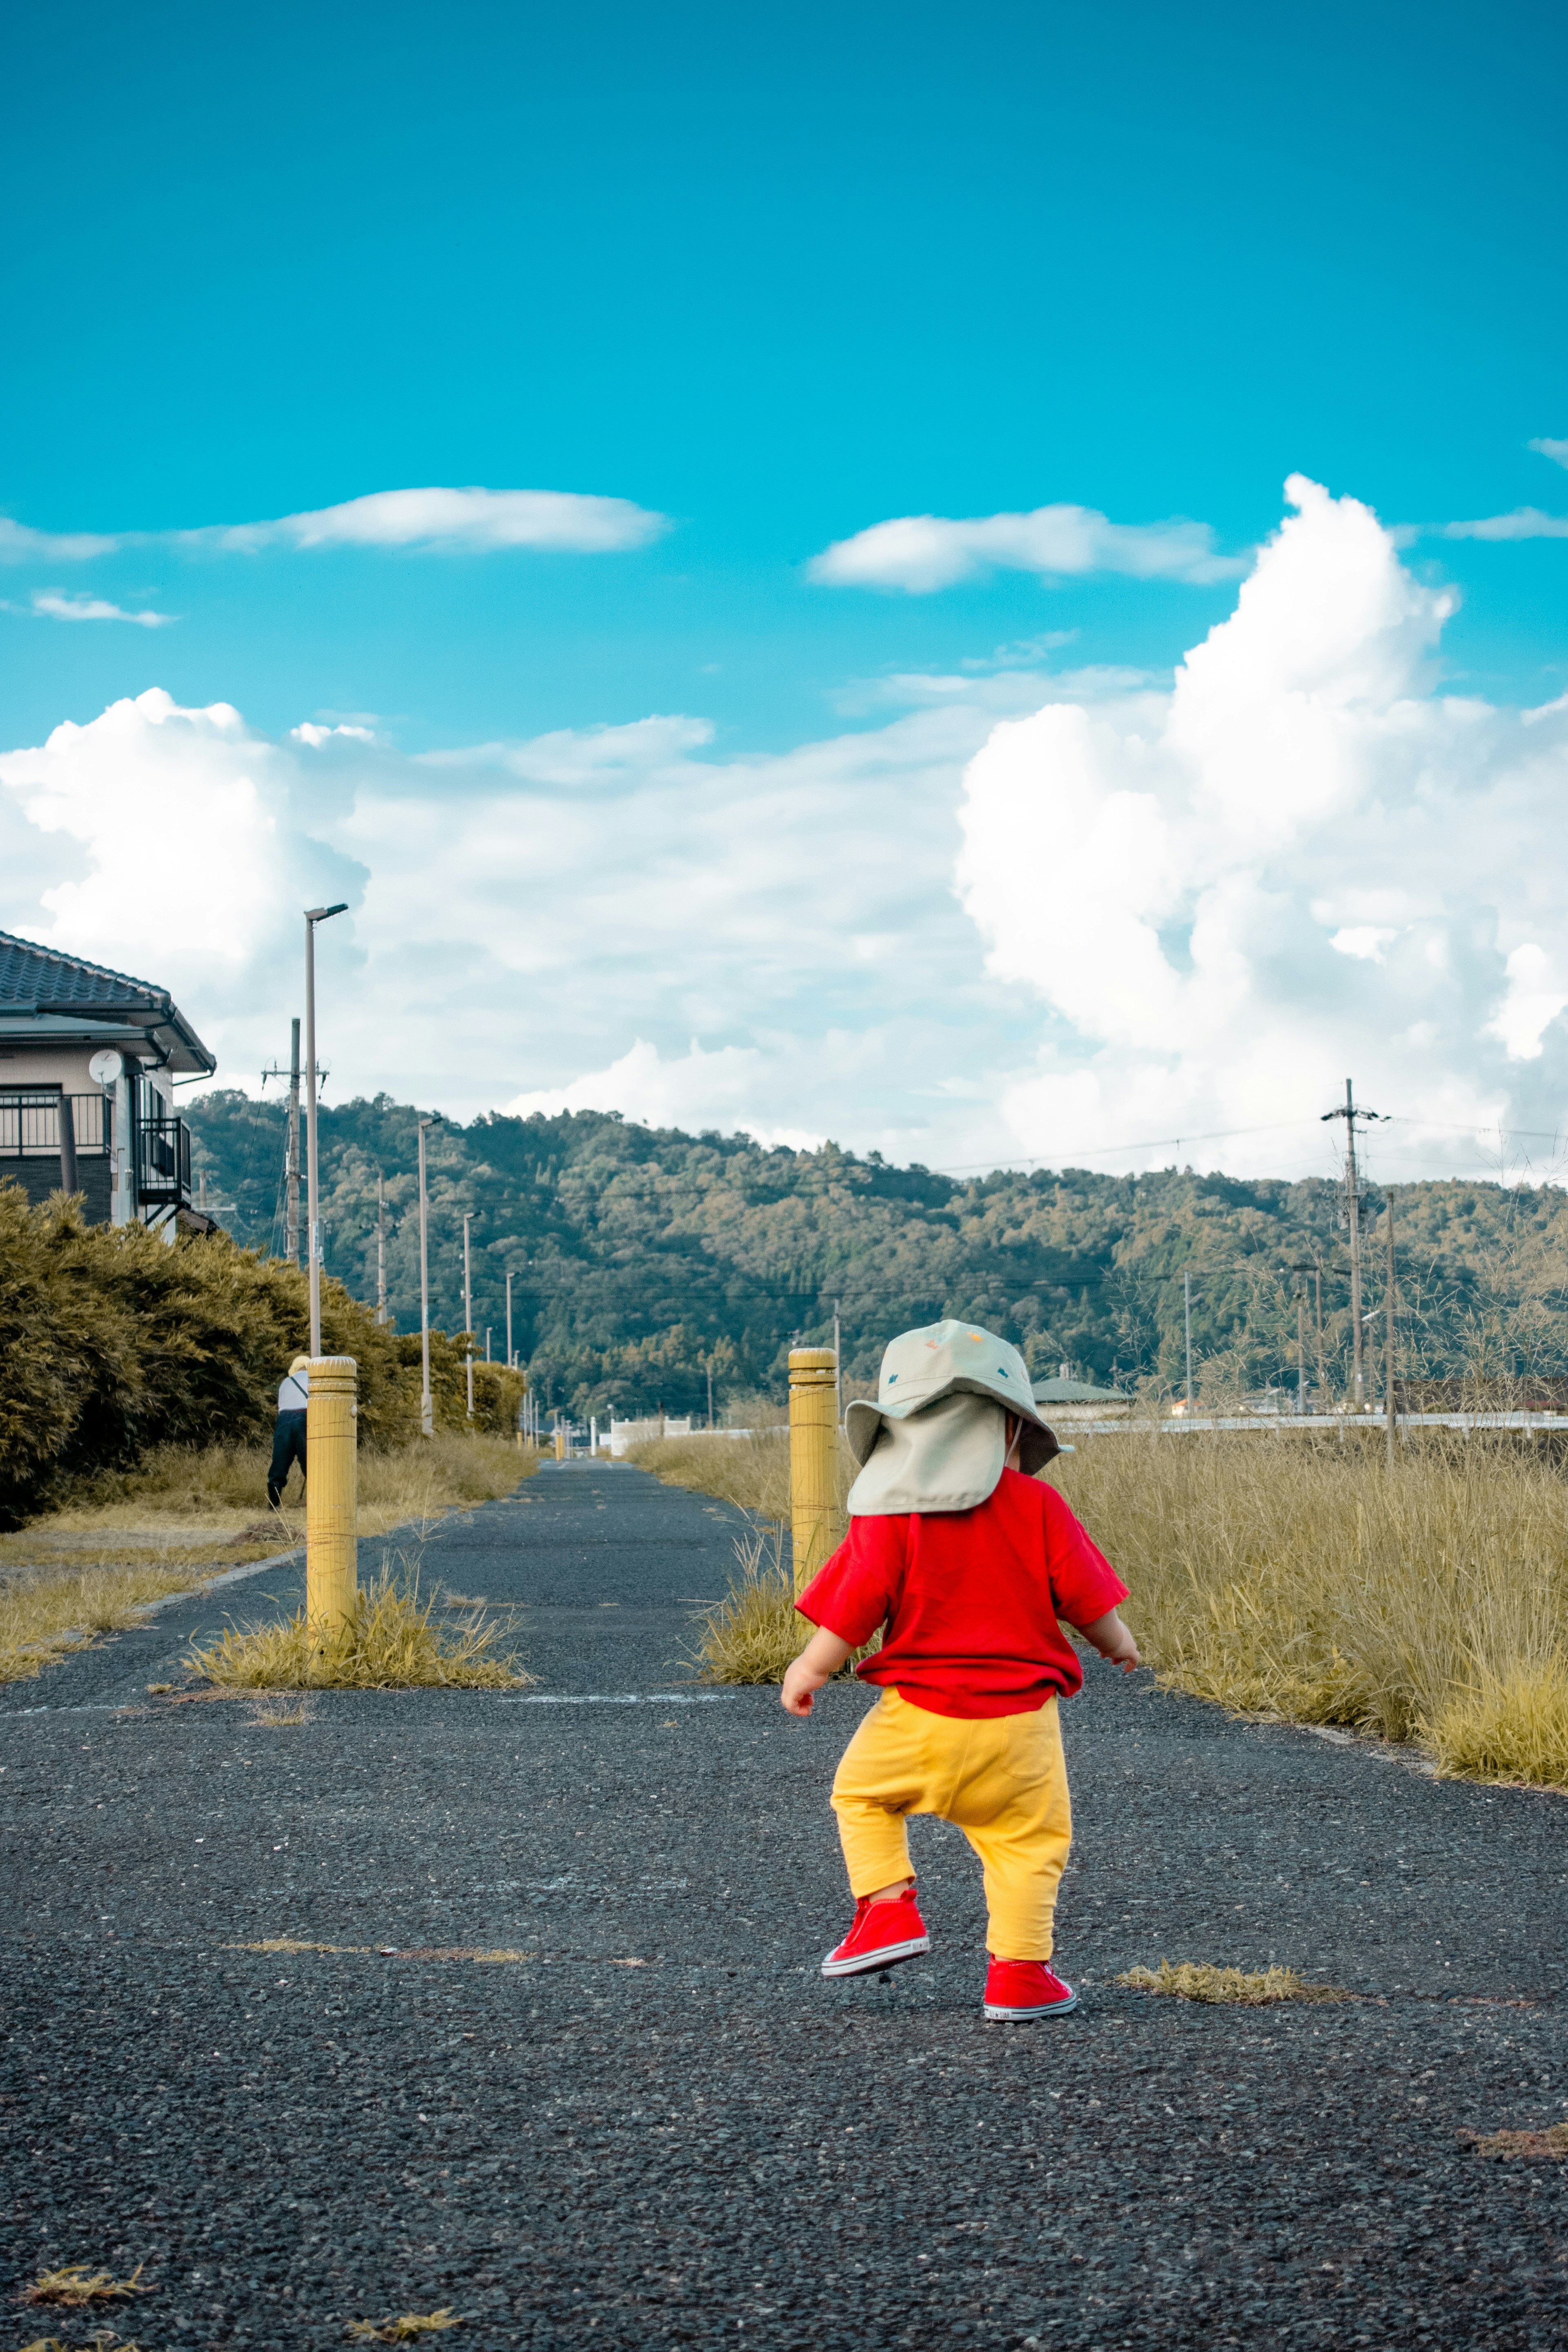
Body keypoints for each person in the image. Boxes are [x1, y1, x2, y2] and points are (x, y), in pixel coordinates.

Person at [783, 1318, 1138, 2022]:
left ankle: (888, 1912)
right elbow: (1087, 1600)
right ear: (1010, 1430)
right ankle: (1020, 1978)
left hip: (916, 1717)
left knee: (859, 1797)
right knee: (1028, 1847)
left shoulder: (888, 1515)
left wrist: (808, 1669)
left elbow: (852, 1612)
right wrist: (1118, 1643)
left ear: (896, 1432)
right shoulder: (1040, 1506)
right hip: (1023, 1730)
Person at [267, 1354, 310, 1508]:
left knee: (280, 1462)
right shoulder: (315, 1381)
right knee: (310, 1463)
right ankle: (316, 1503)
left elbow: (282, 1406)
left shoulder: (285, 1383)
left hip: (284, 1420)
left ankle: (273, 1504)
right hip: (305, 1418)